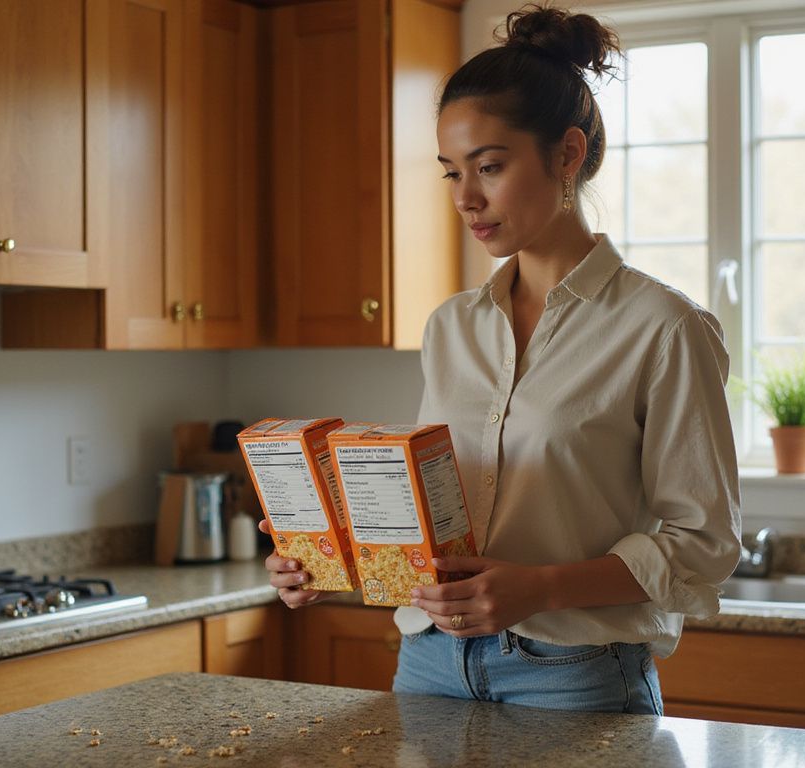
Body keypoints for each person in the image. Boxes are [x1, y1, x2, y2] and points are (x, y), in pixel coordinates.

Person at [260, 5, 741, 715]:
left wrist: (539, 587)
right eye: (451, 172)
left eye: (489, 166)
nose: (466, 198)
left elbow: (704, 545)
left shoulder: (662, 328)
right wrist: (330, 559)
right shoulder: (452, 326)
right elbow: (442, 521)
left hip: (572, 675)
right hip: (427, 665)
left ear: (568, 154)